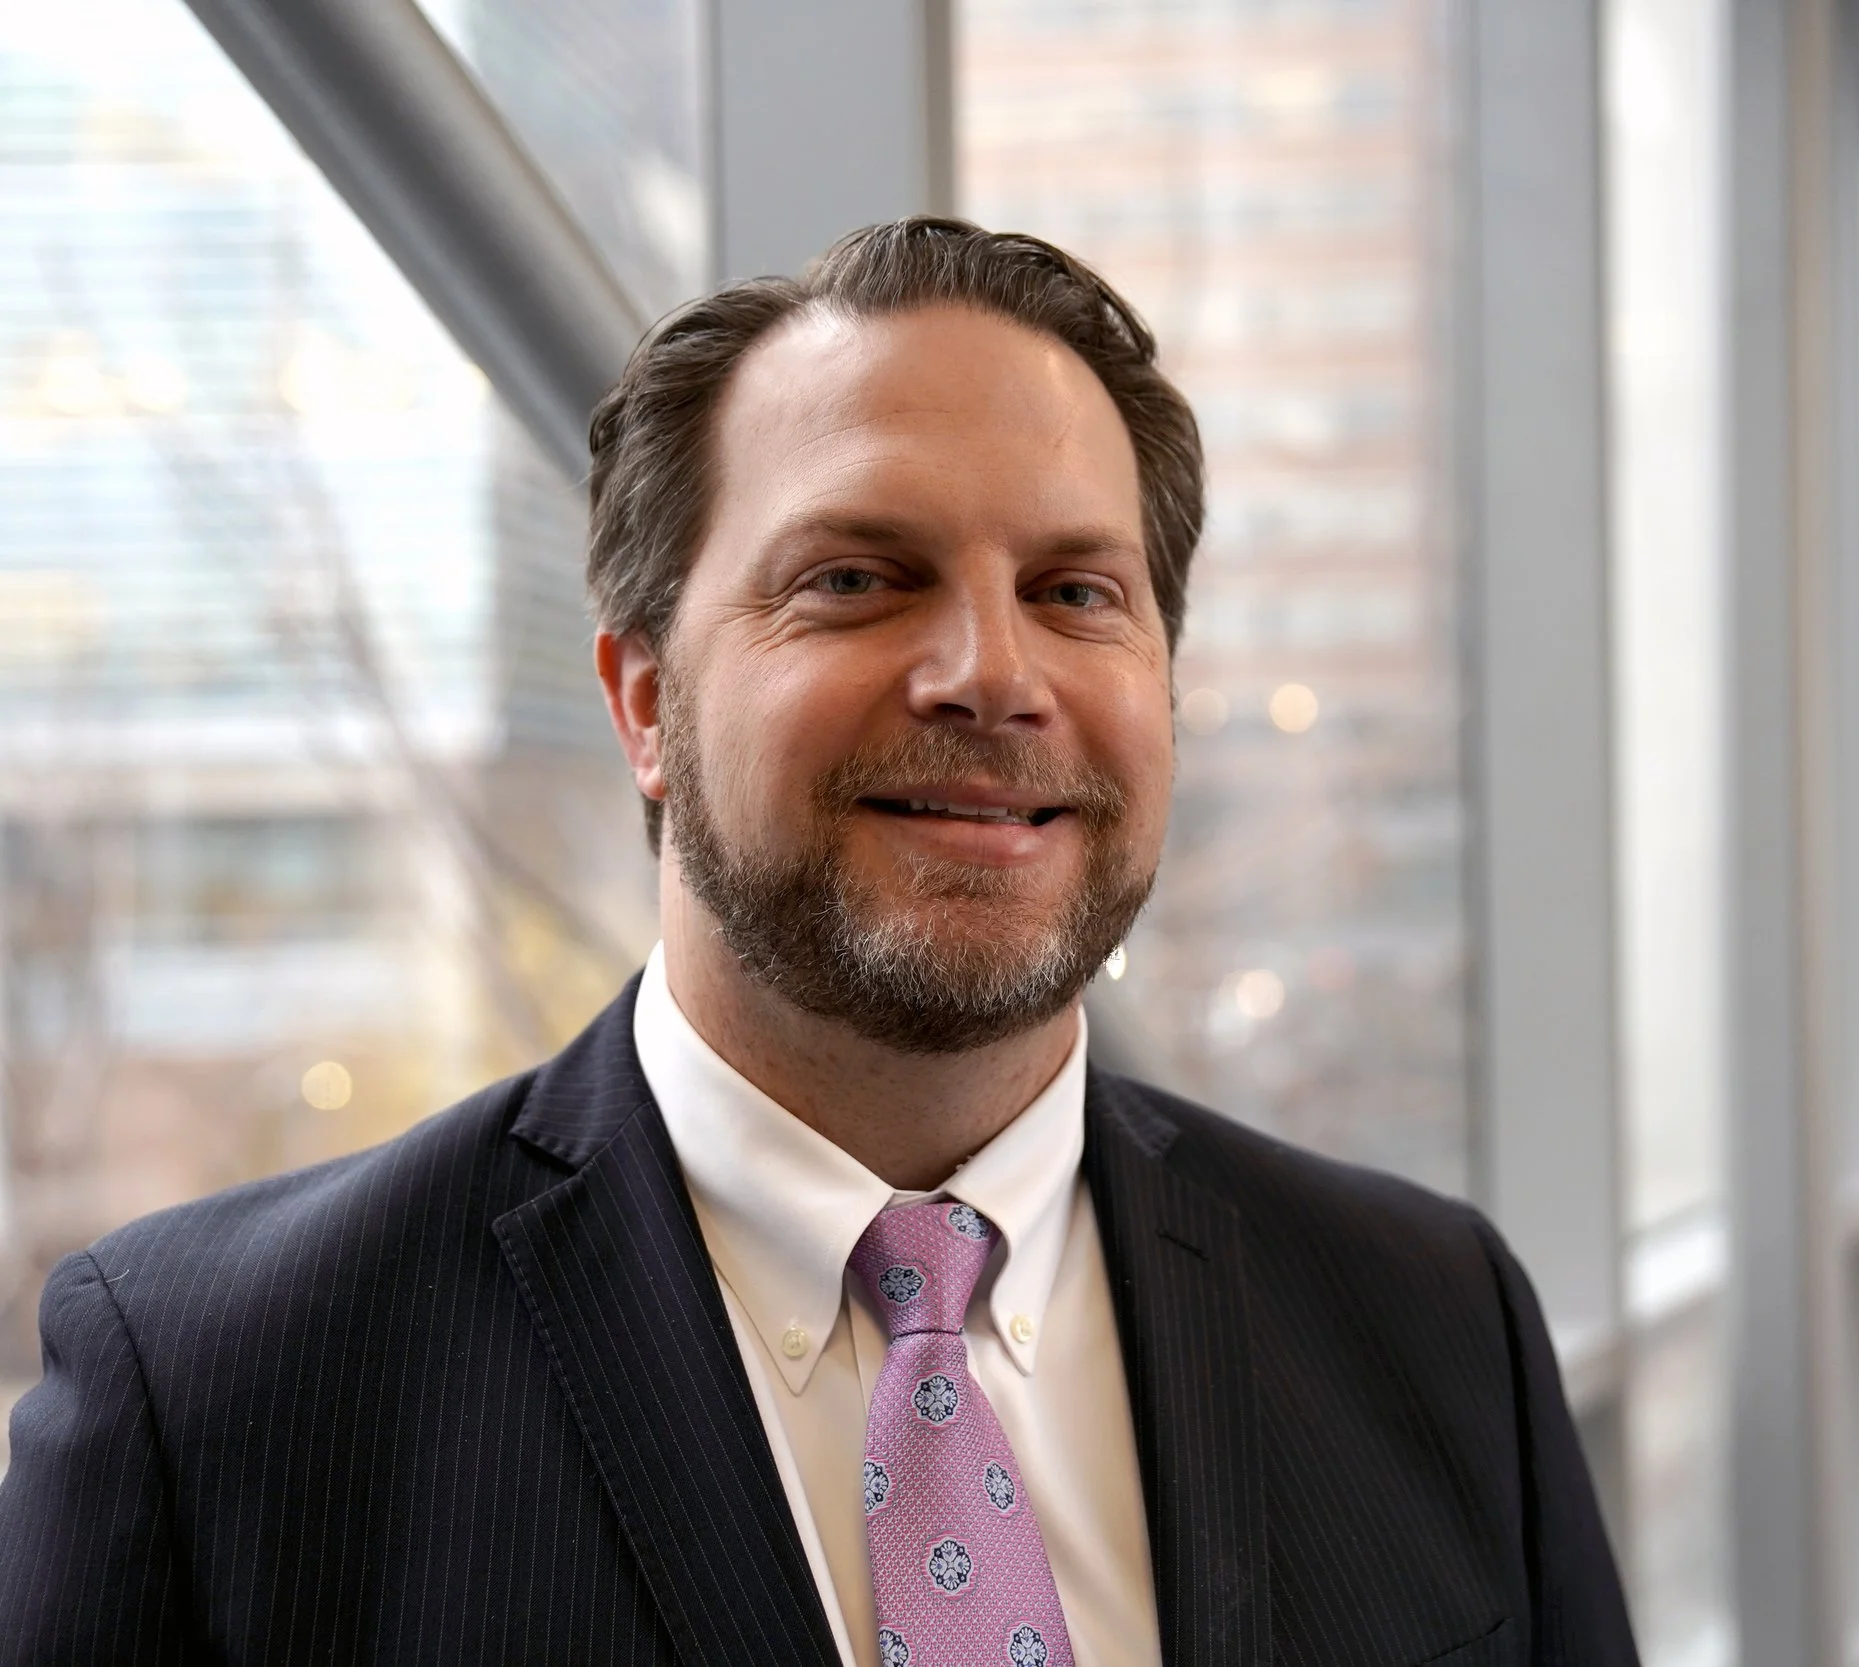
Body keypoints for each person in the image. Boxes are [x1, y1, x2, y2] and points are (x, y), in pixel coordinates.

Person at [0, 220, 1636, 1665]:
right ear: (646, 700)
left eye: (1077, 593)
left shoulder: (1432, 1323)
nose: (990, 674)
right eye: (859, 578)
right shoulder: (222, 1402)